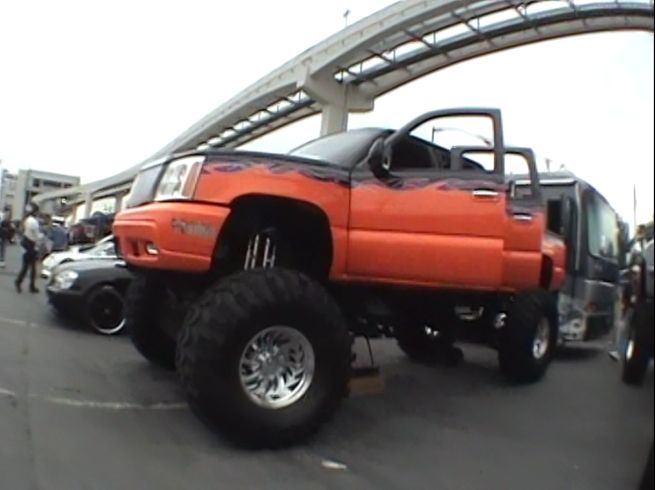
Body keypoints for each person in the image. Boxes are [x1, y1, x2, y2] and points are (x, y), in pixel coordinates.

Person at [15, 203, 42, 293]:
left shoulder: (27, 219)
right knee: (29, 267)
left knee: (28, 266)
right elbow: (36, 235)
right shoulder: (33, 221)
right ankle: (24, 284)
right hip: (31, 244)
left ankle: (25, 284)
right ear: (35, 211)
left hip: (27, 243)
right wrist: (41, 238)